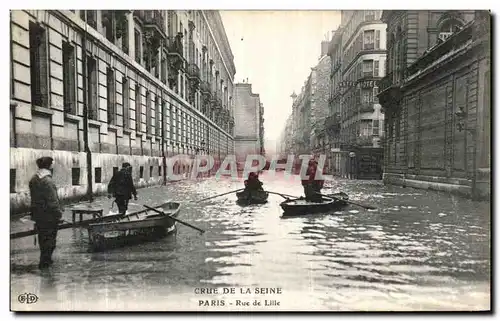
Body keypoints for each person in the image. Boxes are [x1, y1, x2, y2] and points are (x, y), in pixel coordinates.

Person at [29, 156, 63, 269]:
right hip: (49, 216)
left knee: (42, 238)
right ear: (49, 166)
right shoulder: (48, 181)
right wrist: (59, 214)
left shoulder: (34, 179)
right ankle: (45, 263)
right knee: (50, 240)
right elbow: (53, 201)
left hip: (38, 215)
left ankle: (45, 260)